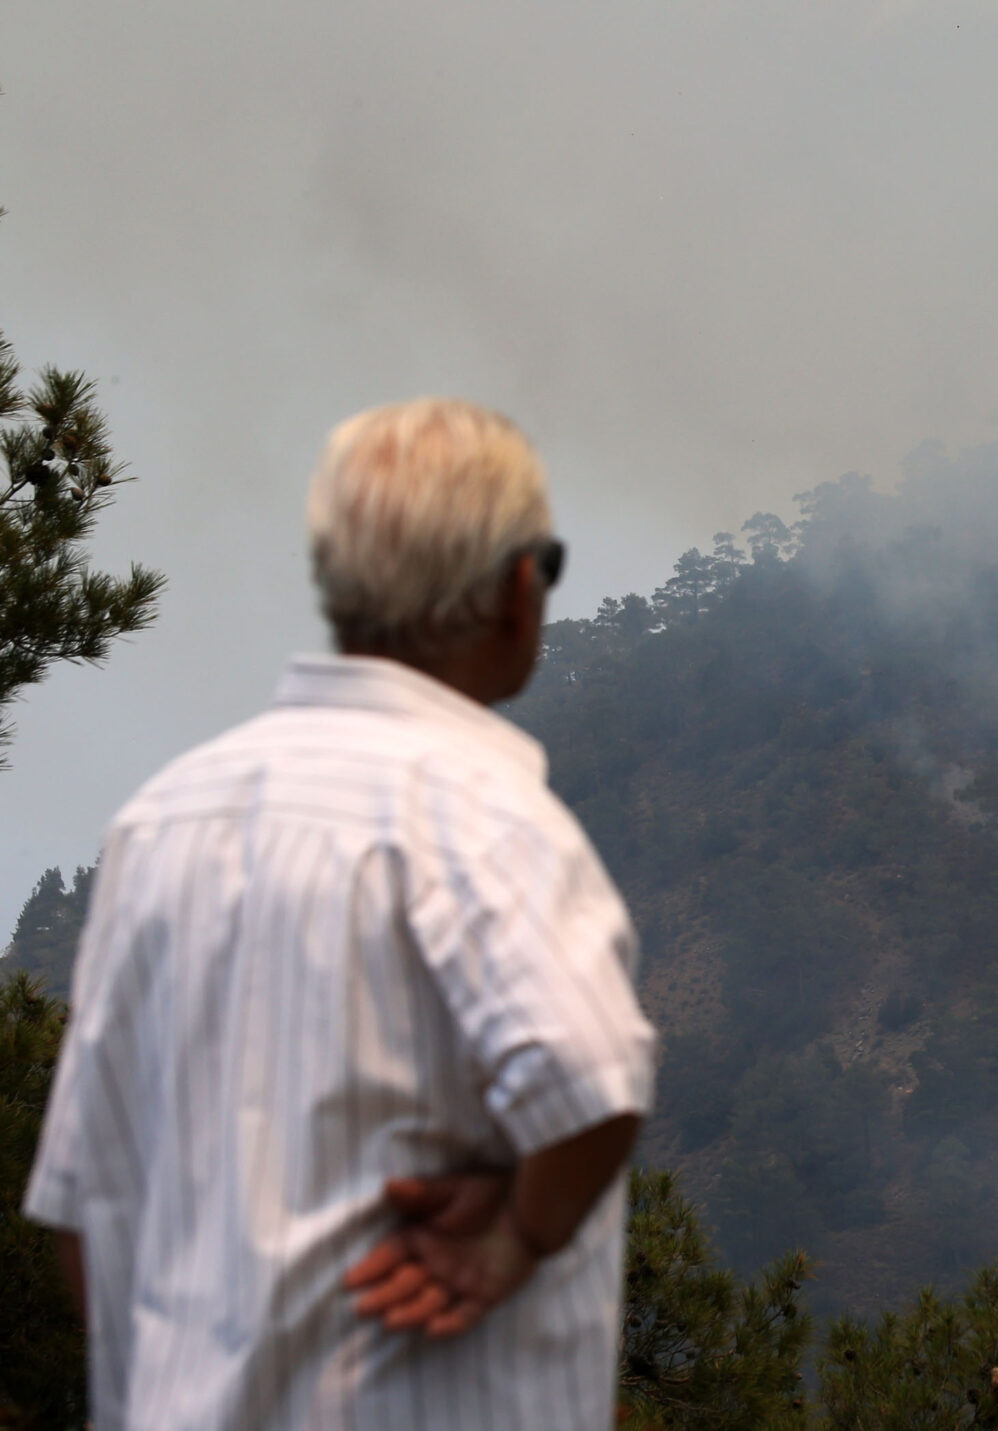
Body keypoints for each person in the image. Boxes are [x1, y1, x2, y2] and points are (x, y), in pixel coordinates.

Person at [22, 398, 658, 1430]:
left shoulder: (163, 821)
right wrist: (513, 1241)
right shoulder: (482, 819)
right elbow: (592, 1079)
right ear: (515, 589)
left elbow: (86, 1201)